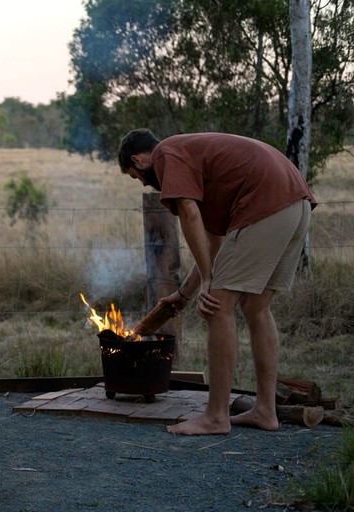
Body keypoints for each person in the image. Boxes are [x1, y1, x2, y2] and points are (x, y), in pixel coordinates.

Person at [117, 129, 316, 436]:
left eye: (135, 176)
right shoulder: (192, 160)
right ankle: (265, 411)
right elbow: (214, 243)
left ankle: (215, 417)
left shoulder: (165, 154)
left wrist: (210, 281)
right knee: (256, 307)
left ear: (138, 159)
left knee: (217, 306)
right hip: (295, 203)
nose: (143, 183)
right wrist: (184, 293)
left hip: (266, 203)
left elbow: (189, 214)